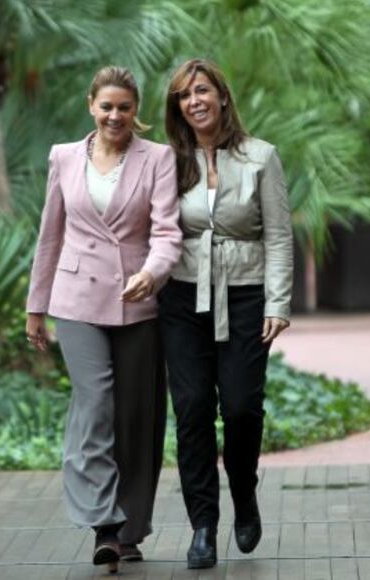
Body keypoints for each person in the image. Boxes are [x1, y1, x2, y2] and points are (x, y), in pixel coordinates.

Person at [25, 66, 182, 571]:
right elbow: (50, 234)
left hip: (138, 301)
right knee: (95, 406)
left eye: (126, 107)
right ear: (91, 105)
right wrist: (36, 305)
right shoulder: (64, 157)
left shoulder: (157, 158)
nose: (116, 115)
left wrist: (154, 273)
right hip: (75, 302)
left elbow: (167, 232)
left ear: (137, 111)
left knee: (137, 416)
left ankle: (131, 528)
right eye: (107, 106)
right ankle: (106, 525)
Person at [159, 58, 293, 569]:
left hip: (245, 296)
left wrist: (278, 302)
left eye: (201, 91)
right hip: (182, 298)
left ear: (221, 95)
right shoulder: (168, 160)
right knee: (191, 409)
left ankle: (245, 491)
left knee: (239, 406)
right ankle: (202, 527)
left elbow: (279, 235)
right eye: (183, 96)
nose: (194, 101)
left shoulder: (261, 157)